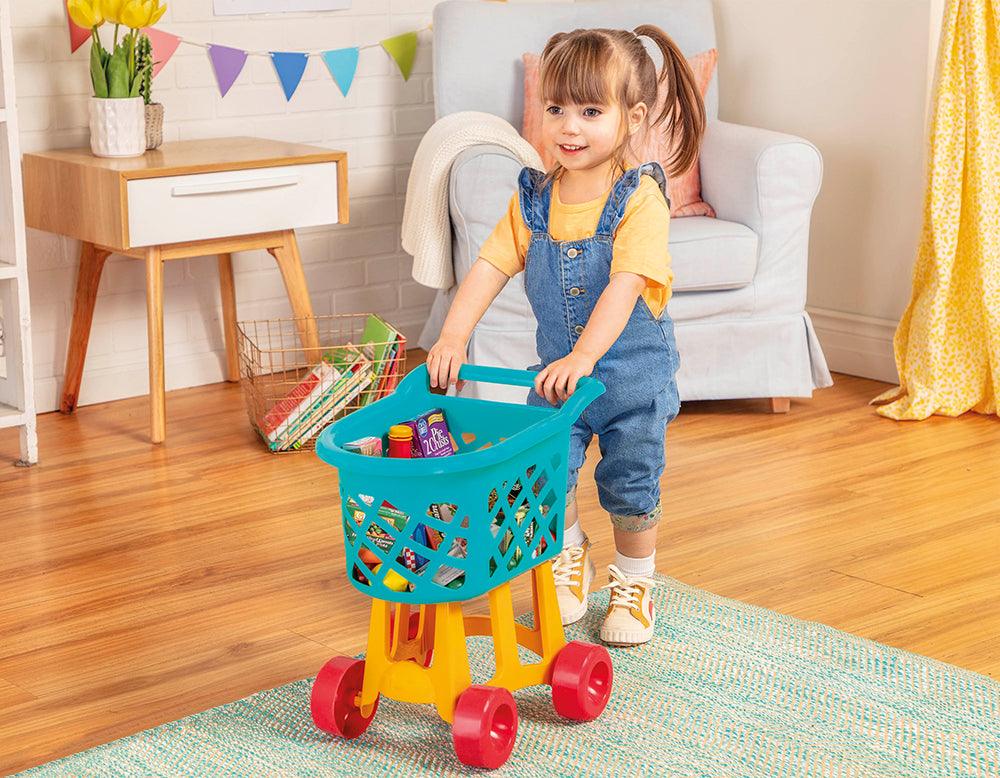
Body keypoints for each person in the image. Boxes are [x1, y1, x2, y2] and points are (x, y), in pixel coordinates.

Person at [427, 25, 705, 646]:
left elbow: (625, 285)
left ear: (630, 119)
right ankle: (567, 554)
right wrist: (452, 336)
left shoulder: (640, 201)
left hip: (630, 378)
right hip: (558, 380)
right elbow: (489, 265)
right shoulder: (534, 200)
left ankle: (636, 580)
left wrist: (584, 355)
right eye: (555, 109)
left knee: (631, 485)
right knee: (546, 475)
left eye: (589, 111)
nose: (568, 127)